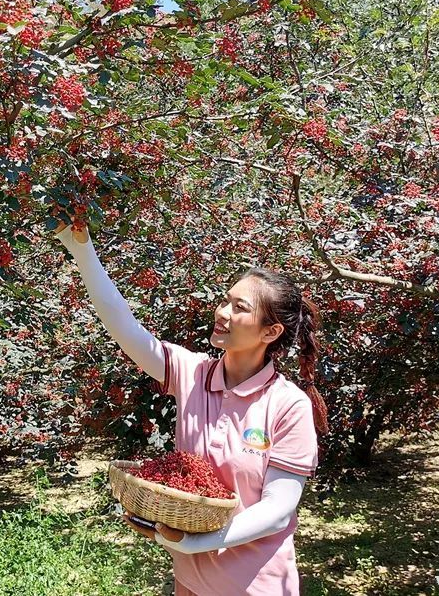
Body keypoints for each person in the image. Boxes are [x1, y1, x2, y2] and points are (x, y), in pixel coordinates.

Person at [53, 220, 328, 596]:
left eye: (239, 307)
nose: (222, 312)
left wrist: (199, 542)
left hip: (253, 585)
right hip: (190, 581)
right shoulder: (193, 373)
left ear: (270, 332)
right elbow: (125, 328)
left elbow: (278, 509)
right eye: (225, 300)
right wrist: (83, 250)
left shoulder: (287, 404)